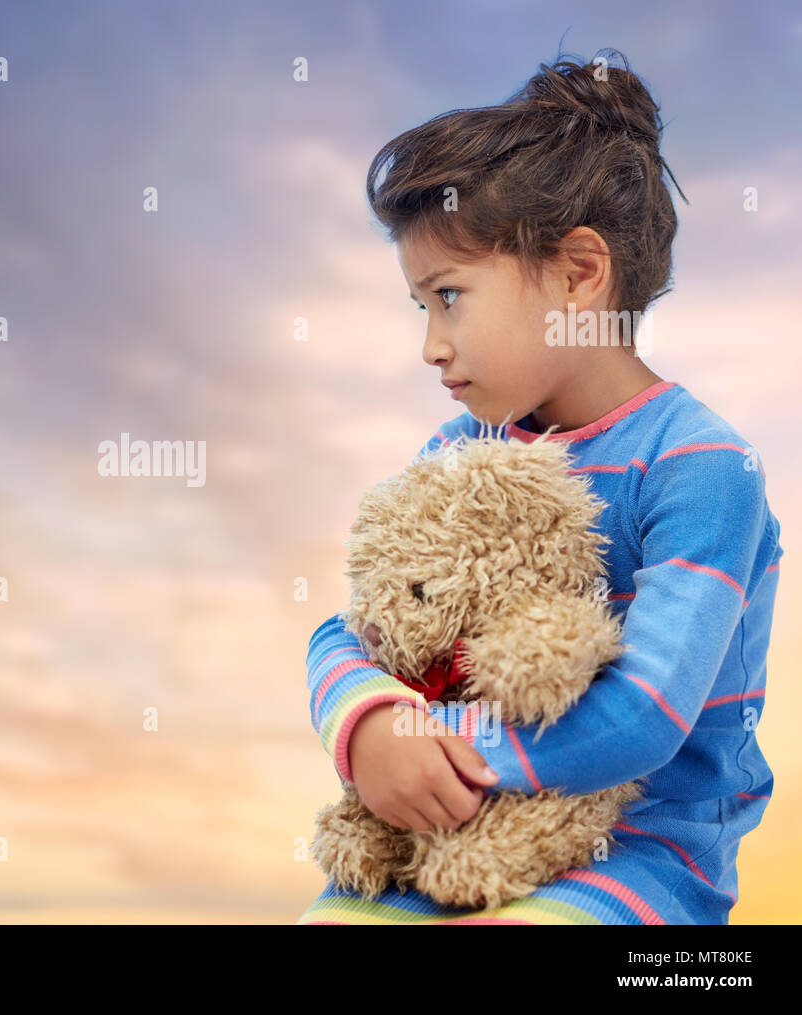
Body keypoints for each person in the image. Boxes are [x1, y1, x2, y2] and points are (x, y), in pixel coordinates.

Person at [298, 49, 781, 925]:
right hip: (446, 838)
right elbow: (351, 629)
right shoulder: (458, 451)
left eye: (450, 296)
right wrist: (368, 724)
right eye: (421, 308)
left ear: (578, 274)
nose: (431, 346)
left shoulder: (705, 469)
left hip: (639, 856)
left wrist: (438, 744)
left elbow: (644, 713)